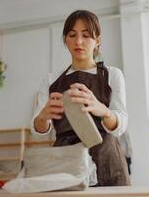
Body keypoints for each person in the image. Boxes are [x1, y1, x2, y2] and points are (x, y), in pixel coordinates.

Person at [30, 10, 131, 186]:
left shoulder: (112, 75)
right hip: (65, 163)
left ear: (97, 40)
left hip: (107, 160)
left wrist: (104, 110)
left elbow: (120, 125)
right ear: (65, 40)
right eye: (72, 35)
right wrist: (43, 116)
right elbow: (37, 132)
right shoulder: (51, 80)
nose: (78, 41)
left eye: (86, 35)